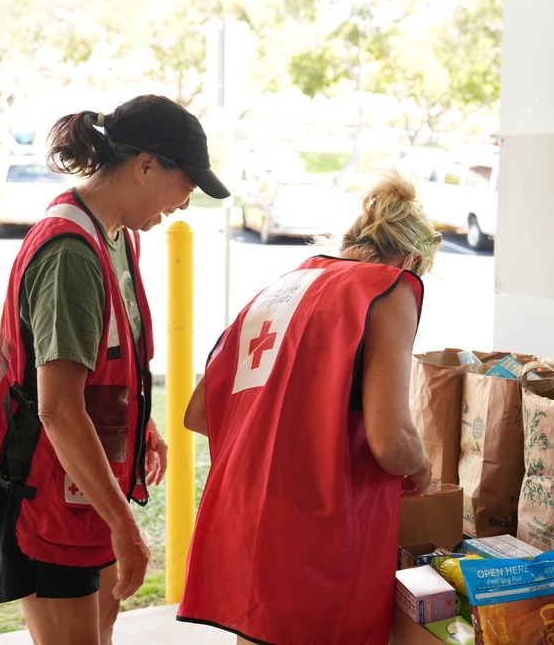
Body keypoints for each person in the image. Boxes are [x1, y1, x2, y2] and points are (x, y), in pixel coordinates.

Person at [0, 94, 230, 645]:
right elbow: (60, 408)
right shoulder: (71, 254)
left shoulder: (119, 235)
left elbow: (105, 367)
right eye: (186, 185)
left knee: (102, 622)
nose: (186, 204)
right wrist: (125, 526)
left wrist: (144, 426)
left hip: (83, 487)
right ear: (145, 166)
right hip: (43, 493)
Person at [176, 169, 438, 644]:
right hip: (318, 526)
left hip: (242, 512)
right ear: (413, 258)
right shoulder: (390, 288)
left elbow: (199, 413)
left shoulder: (284, 285)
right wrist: (421, 465)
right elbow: (390, 441)